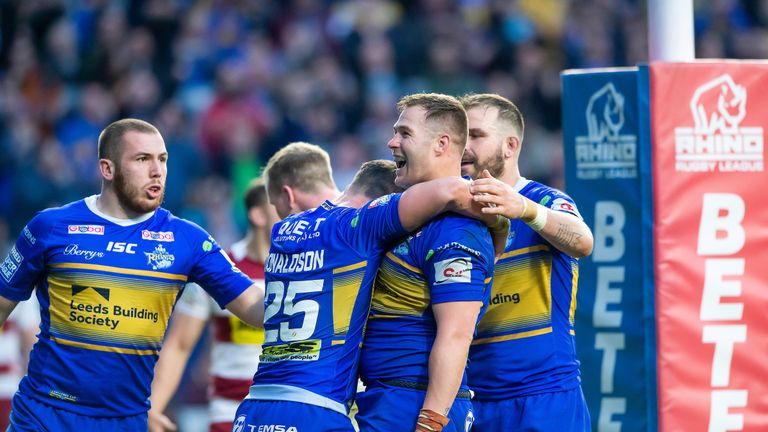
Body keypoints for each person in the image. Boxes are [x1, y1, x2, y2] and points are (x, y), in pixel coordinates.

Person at [0, 118, 264, 431]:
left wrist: (314, 277)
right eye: (142, 159)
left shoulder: (188, 240)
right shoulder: (51, 226)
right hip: (45, 416)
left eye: (162, 159)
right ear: (107, 169)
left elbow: (254, 307)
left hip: (127, 422)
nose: (157, 171)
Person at [232, 147, 506, 432]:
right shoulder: (358, 227)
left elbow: (257, 309)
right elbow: (451, 189)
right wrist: (501, 222)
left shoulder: (282, 231)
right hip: (318, 407)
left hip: (253, 406)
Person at [355, 93, 497, 432]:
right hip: (384, 397)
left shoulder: (457, 231)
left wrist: (431, 422)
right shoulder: (402, 212)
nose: (391, 142)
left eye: (404, 133)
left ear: (441, 144)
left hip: (414, 405)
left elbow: (456, 333)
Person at [459, 93, 594, 431]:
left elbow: (583, 241)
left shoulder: (544, 200)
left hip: (545, 395)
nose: (464, 146)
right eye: (461, 136)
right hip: (475, 398)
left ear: (510, 145)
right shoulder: (452, 214)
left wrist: (526, 211)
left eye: (476, 135)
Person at [149, 178, 280, 432]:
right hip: (229, 414)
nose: (291, 216)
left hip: (288, 412)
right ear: (258, 215)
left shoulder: (306, 270)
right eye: (280, 207)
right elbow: (179, 344)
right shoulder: (217, 270)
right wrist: (154, 407)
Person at [0, 296, 38, 431]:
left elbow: (29, 335)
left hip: (8, 386)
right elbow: (29, 337)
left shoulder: (18, 278)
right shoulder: (18, 278)